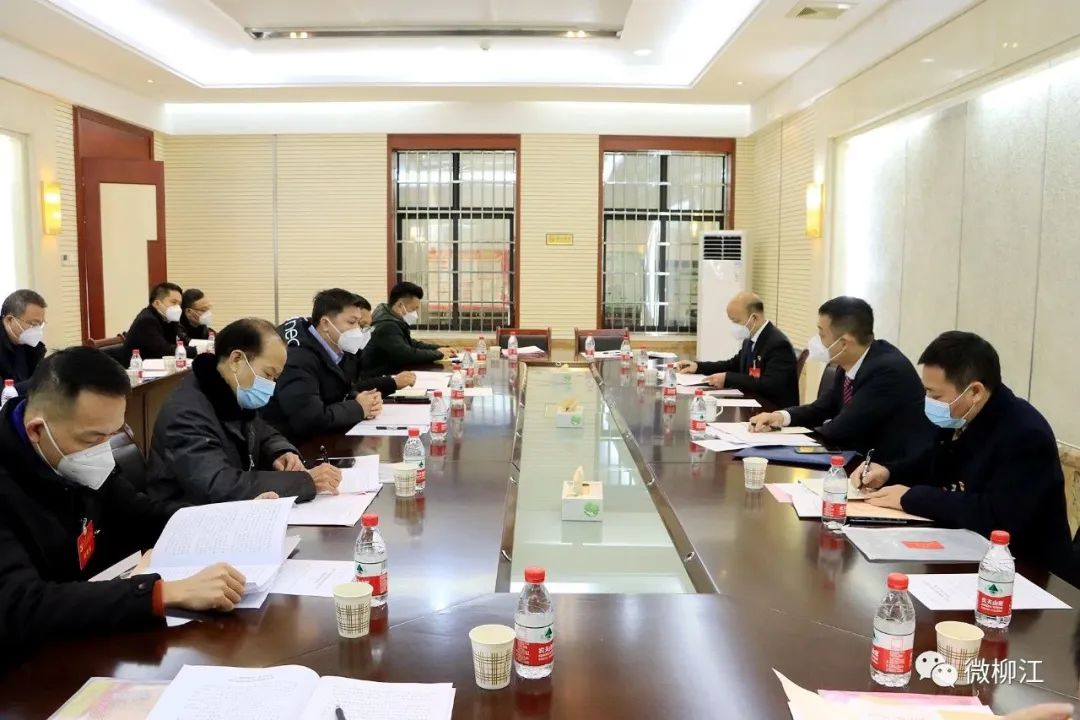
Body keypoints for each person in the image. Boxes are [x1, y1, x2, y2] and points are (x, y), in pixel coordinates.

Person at [0, 347, 249, 656]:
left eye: (113, 434)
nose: (104, 451)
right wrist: (160, 593)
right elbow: (19, 605)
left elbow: (142, 514)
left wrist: (231, 519)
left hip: (86, 633)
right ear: (37, 430)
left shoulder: (75, 456)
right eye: (94, 438)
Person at [856, 331, 1072, 575]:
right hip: (964, 551)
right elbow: (933, 461)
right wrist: (888, 472)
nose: (928, 400)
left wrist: (912, 497)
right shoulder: (962, 414)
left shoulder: (1025, 434)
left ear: (975, 391)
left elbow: (996, 516)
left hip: (1027, 572)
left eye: (935, 395)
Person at [147, 318, 342, 505]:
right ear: (236, 359)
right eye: (268, 374)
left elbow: (261, 431)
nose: (271, 385)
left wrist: (279, 451)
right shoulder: (186, 414)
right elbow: (218, 485)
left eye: (275, 378)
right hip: (187, 516)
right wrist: (304, 482)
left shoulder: (231, 392)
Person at [748, 296, 933, 466]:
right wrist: (780, 417)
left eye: (821, 335)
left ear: (844, 343)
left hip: (893, 472)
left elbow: (842, 429)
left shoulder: (886, 371)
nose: (817, 341)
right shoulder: (849, 363)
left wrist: (782, 442)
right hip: (859, 460)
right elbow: (822, 408)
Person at [263, 289, 416, 442]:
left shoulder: (340, 346)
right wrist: (358, 408)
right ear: (325, 324)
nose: (358, 331)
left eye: (360, 324)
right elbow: (308, 419)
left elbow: (341, 389)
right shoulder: (298, 358)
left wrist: (359, 398)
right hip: (289, 443)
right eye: (352, 322)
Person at [674, 291, 799, 408]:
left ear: (754, 318)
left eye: (736, 321)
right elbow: (733, 365)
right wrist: (698, 367)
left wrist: (728, 378)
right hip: (751, 403)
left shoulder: (778, 344)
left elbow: (769, 385)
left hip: (771, 410)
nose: (734, 326)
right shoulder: (750, 338)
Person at [361, 281, 458, 377]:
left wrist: (439, 348)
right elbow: (406, 354)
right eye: (413, 309)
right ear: (400, 305)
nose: (415, 314)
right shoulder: (386, 325)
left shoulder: (391, 319)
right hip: (380, 379)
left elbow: (410, 343)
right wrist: (438, 354)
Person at [123, 282, 195, 360]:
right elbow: (164, 350)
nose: (178, 308)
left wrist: (200, 346)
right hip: (137, 365)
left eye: (179, 304)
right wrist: (196, 351)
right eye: (174, 302)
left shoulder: (169, 318)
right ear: (157, 303)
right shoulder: (147, 320)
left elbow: (181, 341)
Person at [0, 289, 47, 396]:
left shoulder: (31, 346)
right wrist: (40, 381)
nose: (37, 330)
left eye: (40, 324)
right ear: (9, 320)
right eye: (33, 324)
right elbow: (3, 393)